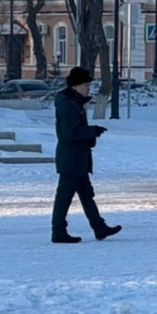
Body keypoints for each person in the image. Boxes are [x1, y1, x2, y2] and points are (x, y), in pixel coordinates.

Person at [51, 67, 121, 244]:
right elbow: (69, 133)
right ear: (75, 86)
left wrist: (91, 134)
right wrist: (92, 132)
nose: (88, 88)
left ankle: (99, 227)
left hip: (77, 158)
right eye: (85, 85)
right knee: (64, 198)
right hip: (71, 159)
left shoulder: (74, 103)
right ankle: (58, 231)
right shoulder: (68, 105)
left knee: (86, 195)